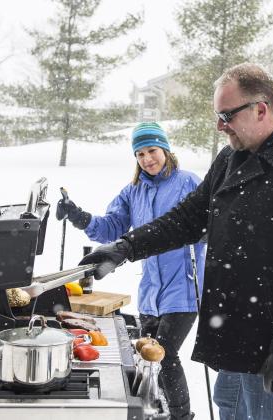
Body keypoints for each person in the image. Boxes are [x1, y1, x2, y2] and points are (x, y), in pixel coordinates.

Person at [79, 63, 273, 420]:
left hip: (269, 343)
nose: (220, 126)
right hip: (232, 332)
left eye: (226, 115)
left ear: (260, 109)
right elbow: (188, 218)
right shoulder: (231, 159)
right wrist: (126, 247)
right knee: (229, 407)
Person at [56, 122, 204, 420]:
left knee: (165, 354)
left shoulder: (188, 183)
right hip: (151, 291)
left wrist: (200, 232)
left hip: (184, 287)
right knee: (147, 357)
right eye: (140, 154)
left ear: (165, 149)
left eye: (152, 151)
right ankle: (153, 411)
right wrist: (79, 216)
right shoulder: (133, 191)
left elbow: (207, 221)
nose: (147, 159)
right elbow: (111, 227)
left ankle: (181, 417)